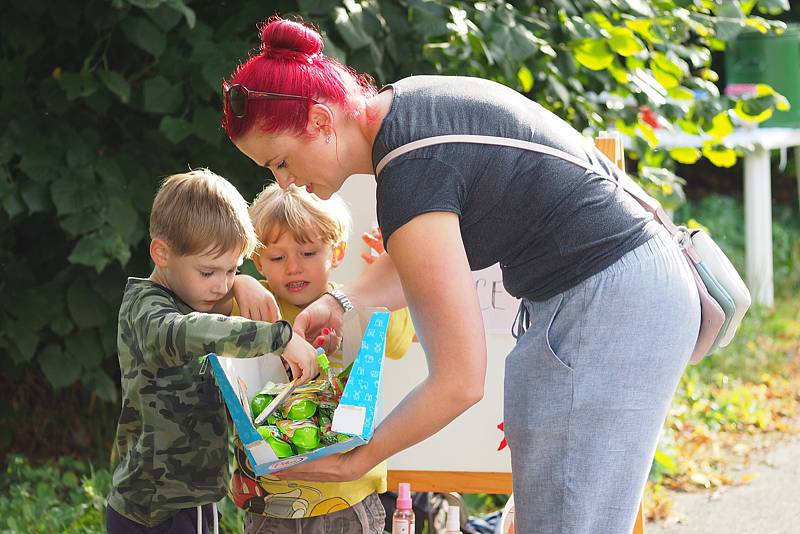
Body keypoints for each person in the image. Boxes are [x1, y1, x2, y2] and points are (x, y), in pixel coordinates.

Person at [221, 16, 701, 534]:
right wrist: (343, 301)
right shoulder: (407, 111)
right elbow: (420, 264)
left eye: (281, 162)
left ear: (318, 121)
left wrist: (353, 461)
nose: (286, 182)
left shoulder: (409, 171)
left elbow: (459, 381)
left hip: (609, 299)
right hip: (621, 288)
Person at [106, 169, 319, 533]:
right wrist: (278, 337)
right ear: (162, 252)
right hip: (169, 507)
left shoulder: (190, 293)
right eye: (208, 273)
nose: (221, 285)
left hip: (163, 502)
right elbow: (192, 331)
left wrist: (245, 283)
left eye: (232, 270)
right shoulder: (151, 314)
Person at [228, 182, 415, 534]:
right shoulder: (255, 306)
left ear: (338, 252)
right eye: (277, 257)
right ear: (259, 261)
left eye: (309, 253)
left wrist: (387, 280)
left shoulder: (351, 301)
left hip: (348, 494)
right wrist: (238, 281)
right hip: (271, 498)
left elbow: (397, 344)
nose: (293, 267)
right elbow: (208, 309)